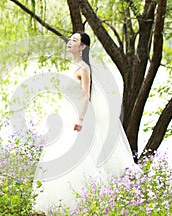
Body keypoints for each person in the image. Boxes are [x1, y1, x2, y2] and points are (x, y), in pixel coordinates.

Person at [32, 32, 141, 215]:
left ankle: (81, 201)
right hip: (66, 113)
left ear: (82, 47)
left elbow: (85, 95)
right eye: (70, 39)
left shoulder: (84, 68)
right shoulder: (72, 66)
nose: (70, 42)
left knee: (80, 157)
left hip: (79, 115)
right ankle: (56, 202)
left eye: (75, 40)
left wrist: (80, 119)